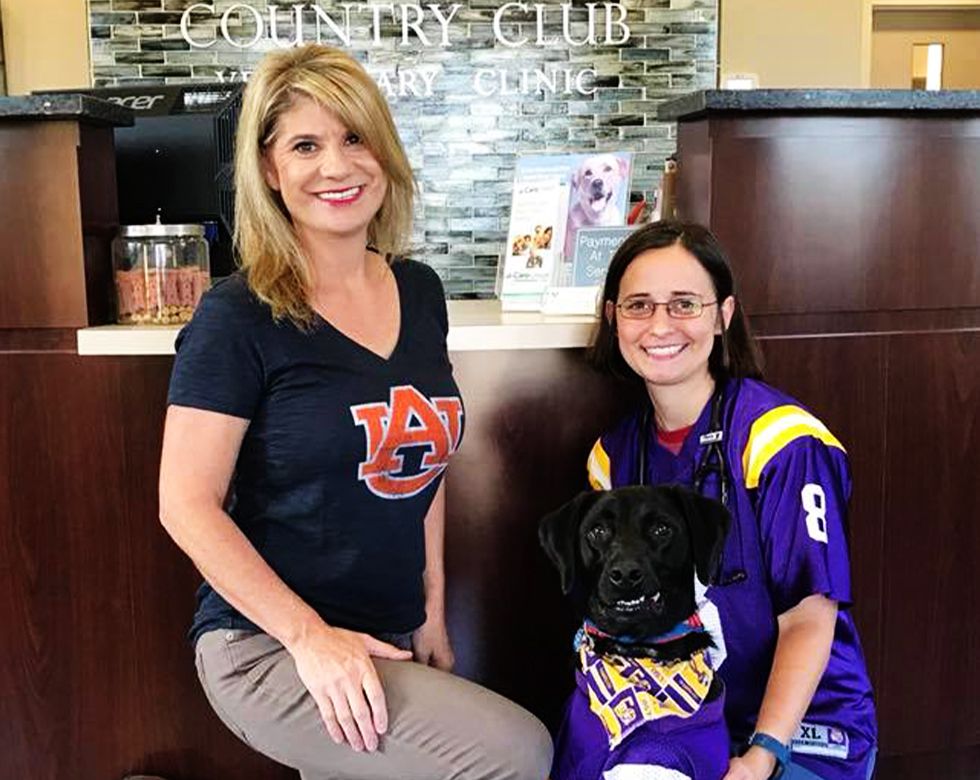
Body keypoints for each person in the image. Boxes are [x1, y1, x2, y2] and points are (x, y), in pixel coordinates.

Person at [158, 44, 552, 780]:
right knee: (516, 754)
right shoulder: (236, 316)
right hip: (267, 644)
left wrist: (432, 607)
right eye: (305, 145)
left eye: (354, 138)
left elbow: (420, 462)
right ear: (270, 170)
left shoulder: (421, 291)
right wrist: (311, 638)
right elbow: (185, 504)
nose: (336, 166)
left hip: (386, 631)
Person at [585, 221, 877, 780]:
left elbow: (809, 620)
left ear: (723, 315)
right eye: (639, 305)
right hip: (684, 719)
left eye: (685, 304)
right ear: (612, 319)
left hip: (802, 728)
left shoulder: (783, 443)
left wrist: (761, 756)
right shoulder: (612, 459)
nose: (660, 326)